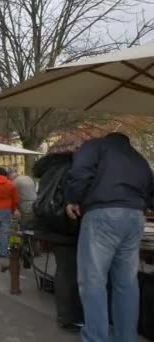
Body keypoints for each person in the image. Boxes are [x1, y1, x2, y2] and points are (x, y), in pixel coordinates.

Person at [65, 133, 154, 342]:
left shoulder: (94, 147)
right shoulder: (139, 158)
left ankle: (96, 338)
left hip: (102, 214)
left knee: (93, 281)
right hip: (134, 218)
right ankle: (127, 337)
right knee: (126, 282)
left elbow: (79, 172)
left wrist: (73, 198)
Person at [33, 152, 84, 332]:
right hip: (69, 225)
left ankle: (66, 315)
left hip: (51, 225)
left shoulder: (48, 172)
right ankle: (70, 316)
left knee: (64, 269)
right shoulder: (73, 170)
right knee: (71, 271)